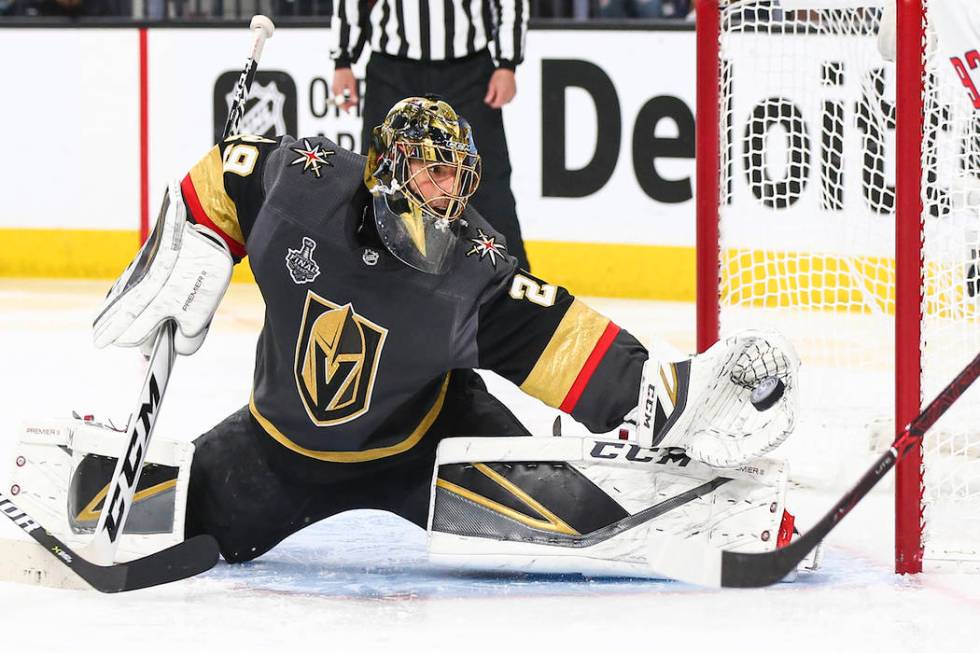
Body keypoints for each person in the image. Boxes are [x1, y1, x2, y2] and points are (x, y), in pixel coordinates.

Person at [89, 97, 806, 579]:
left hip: (430, 447)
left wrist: (655, 389)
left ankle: (710, 514)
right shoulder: (308, 185)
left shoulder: (472, 265)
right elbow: (230, 168)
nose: (450, 193)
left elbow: (556, 335)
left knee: (562, 506)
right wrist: (197, 227)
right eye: (435, 172)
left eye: (458, 176)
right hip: (279, 451)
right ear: (391, 166)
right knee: (184, 518)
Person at [329, 0, 532, 271]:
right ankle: (370, 278)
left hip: (469, 70)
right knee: (379, 181)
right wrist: (342, 59)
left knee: (484, 180)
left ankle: (511, 282)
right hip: (390, 71)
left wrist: (508, 63)